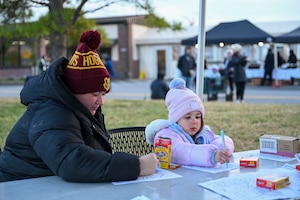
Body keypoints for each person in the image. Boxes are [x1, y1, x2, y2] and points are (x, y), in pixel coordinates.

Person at [0, 30, 159, 183]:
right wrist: (137, 166)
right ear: (74, 90)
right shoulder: (51, 111)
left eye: (103, 94)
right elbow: (72, 162)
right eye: (95, 94)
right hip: (17, 187)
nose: (100, 101)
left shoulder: (77, 107)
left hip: (48, 185)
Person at [145, 78, 234, 167]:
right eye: (188, 117)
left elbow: (217, 139)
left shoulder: (203, 133)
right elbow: (182, 152)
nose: (194, 121)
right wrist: (211, 155)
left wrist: (223, 149)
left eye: (198, 116)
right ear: (176, 119)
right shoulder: (166, 135)